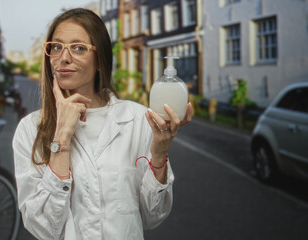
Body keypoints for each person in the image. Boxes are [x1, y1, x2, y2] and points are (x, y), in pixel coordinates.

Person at [12, 8, 192, 240]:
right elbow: (43, 228)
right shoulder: (30, 129)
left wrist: (159, 155)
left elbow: (153, 216)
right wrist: (61, 140)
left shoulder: (138, 120)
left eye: (78, 48)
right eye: (56, 47)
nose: (63, 57)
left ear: (100, 61)